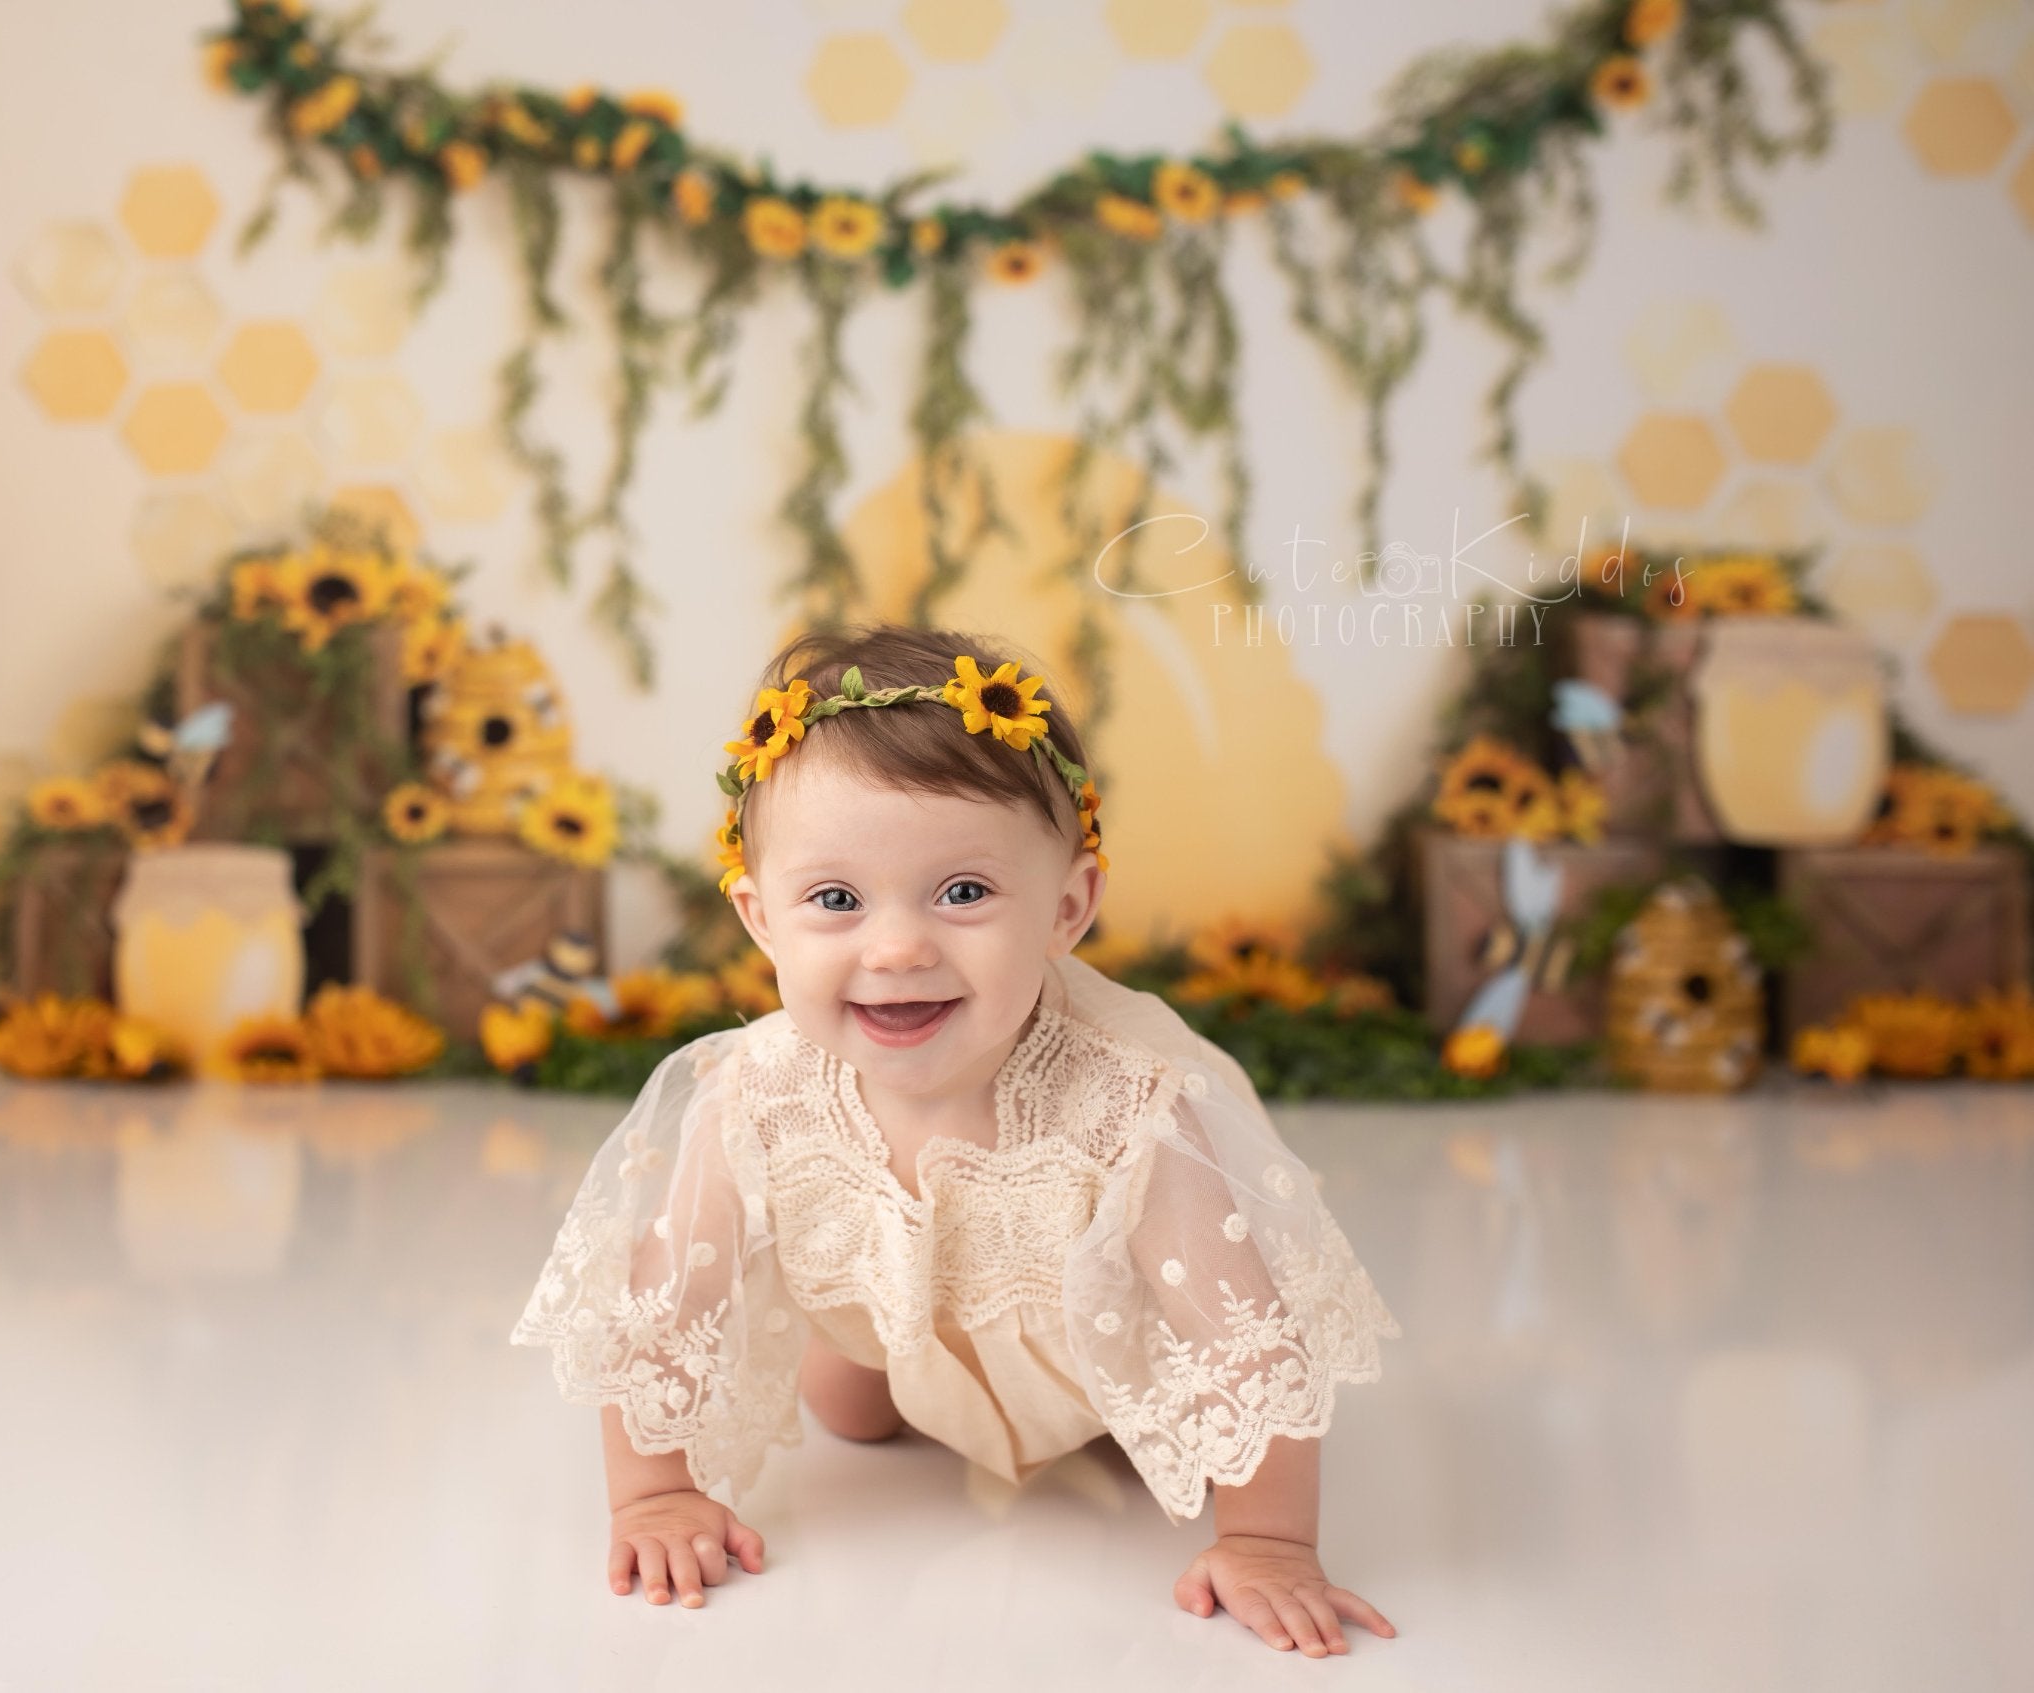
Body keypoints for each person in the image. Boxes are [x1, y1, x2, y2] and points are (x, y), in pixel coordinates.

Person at [511, 622, 1404, 1658]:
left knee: (1156, 1438)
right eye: (835, 899)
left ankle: (1087, 1405)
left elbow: (1242, 1338)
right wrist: (655, 1495)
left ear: (1066, 907)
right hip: (881, 1315)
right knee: (850, 1412)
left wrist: (1266, 1539)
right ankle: (895, 1361)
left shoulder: (1131, 1105)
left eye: (964, 892)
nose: (896, 946)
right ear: (760, 921)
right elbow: (662, 1311)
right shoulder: (753, 1092)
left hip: (1084, 1342)